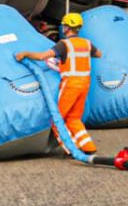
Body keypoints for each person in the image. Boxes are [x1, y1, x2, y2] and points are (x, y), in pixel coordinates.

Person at [16, 12, 99, 155]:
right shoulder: (87, 43)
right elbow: (99, 54)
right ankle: (88, 147)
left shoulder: (63, 45)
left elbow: (42, 56)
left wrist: (25, 54)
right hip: (85, 85)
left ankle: (72, 150)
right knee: (74, 118)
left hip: (71, 85)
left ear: (67, 28)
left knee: (58, 120)